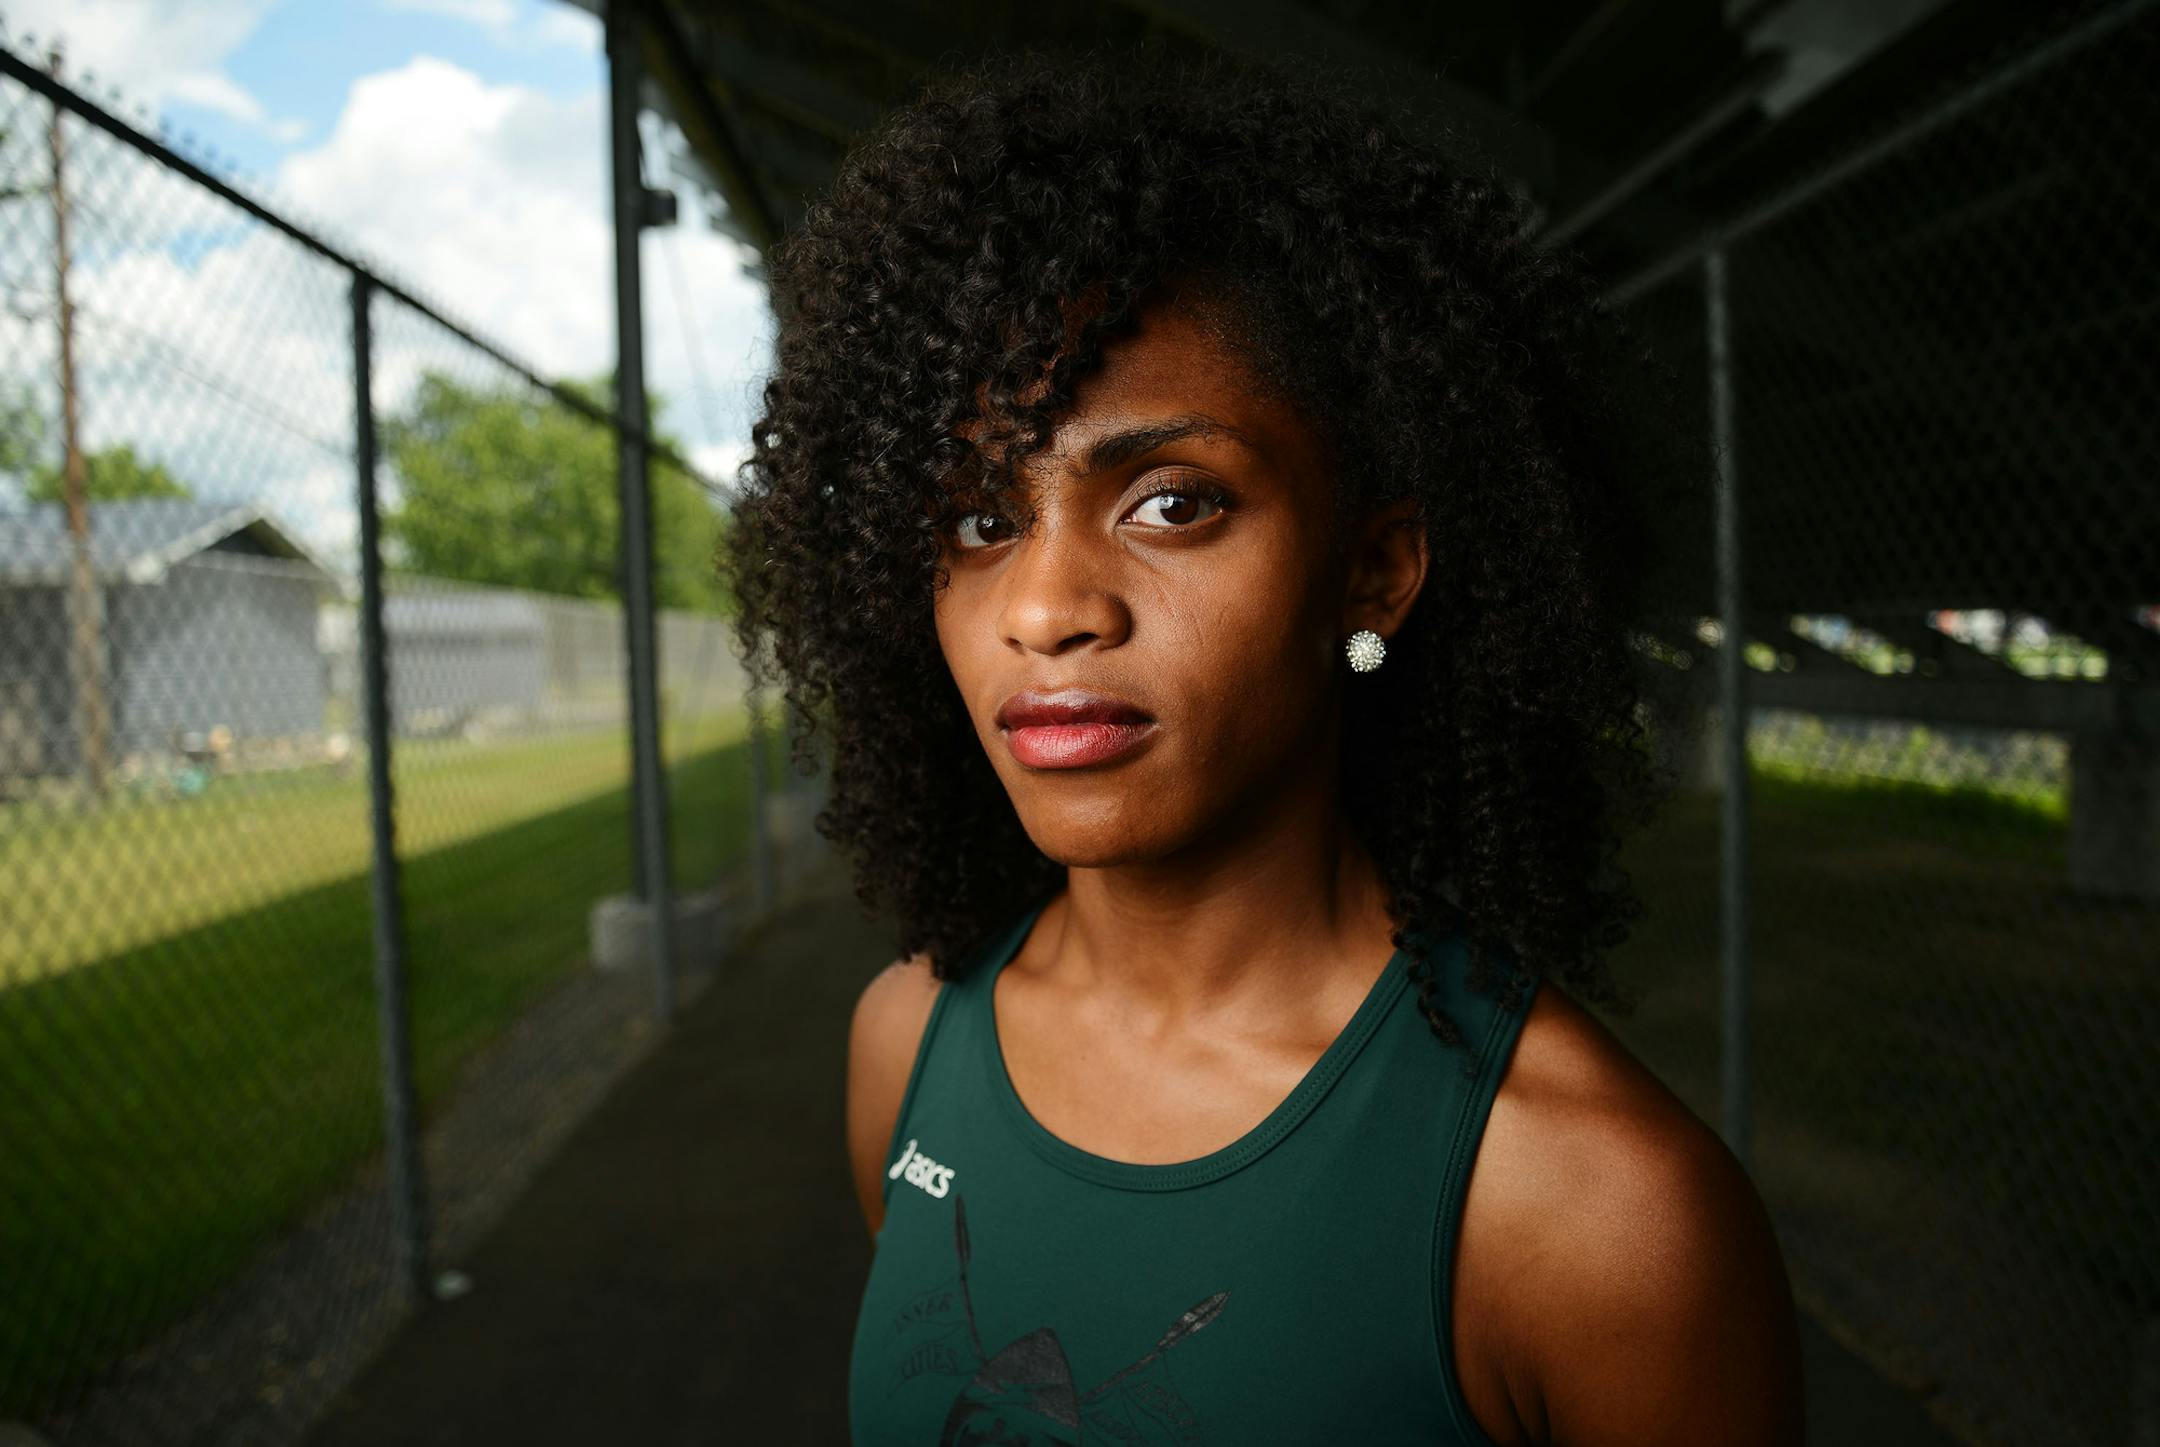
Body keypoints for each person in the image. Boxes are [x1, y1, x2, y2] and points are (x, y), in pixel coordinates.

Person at [720, 41, 1803, 1447]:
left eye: (1171, 502)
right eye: (981, 523)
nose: (1045, 609)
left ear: (1373, 573)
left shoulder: (1593, 1211)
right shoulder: (905, 1046)